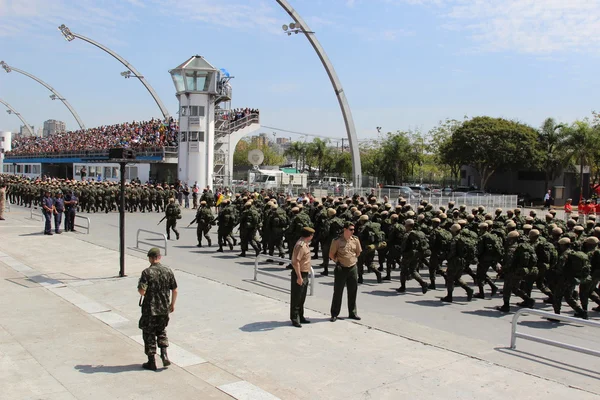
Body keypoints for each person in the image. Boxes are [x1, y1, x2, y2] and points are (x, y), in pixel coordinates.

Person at [137, 247, 178, 370]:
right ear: (159, 257)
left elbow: (142, 291)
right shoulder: (168, 271)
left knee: (149, 333)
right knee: (161, 331)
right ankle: (164, 355)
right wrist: (172, 304)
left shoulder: (146, 273)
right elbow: (175, 289)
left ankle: (151, 361)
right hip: (164, 308)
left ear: (150, 258)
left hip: (150, 309)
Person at [329, 221, 362, 322]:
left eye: (353, 230)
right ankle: (334, 313)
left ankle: (352, 312)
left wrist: (352, 260)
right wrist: (337, 261)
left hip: (352, 268)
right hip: (341, 268)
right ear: (345, 229)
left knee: (353, 291)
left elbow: (358, 252)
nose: (353, 231)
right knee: (338, 292)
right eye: (351, 229)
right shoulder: (337, 241)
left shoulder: (355, 240)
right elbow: (331, 254)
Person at [290, 227, 314, 327]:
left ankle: (300, 315)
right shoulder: (300, 245)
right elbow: (296, 262)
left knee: (302, 297)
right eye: (312, 235)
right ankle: (295, 318)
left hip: (304, 273)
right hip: (299, 273)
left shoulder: (305, 244)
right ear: (309, 236)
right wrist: (299, 277)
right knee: (297, 297)